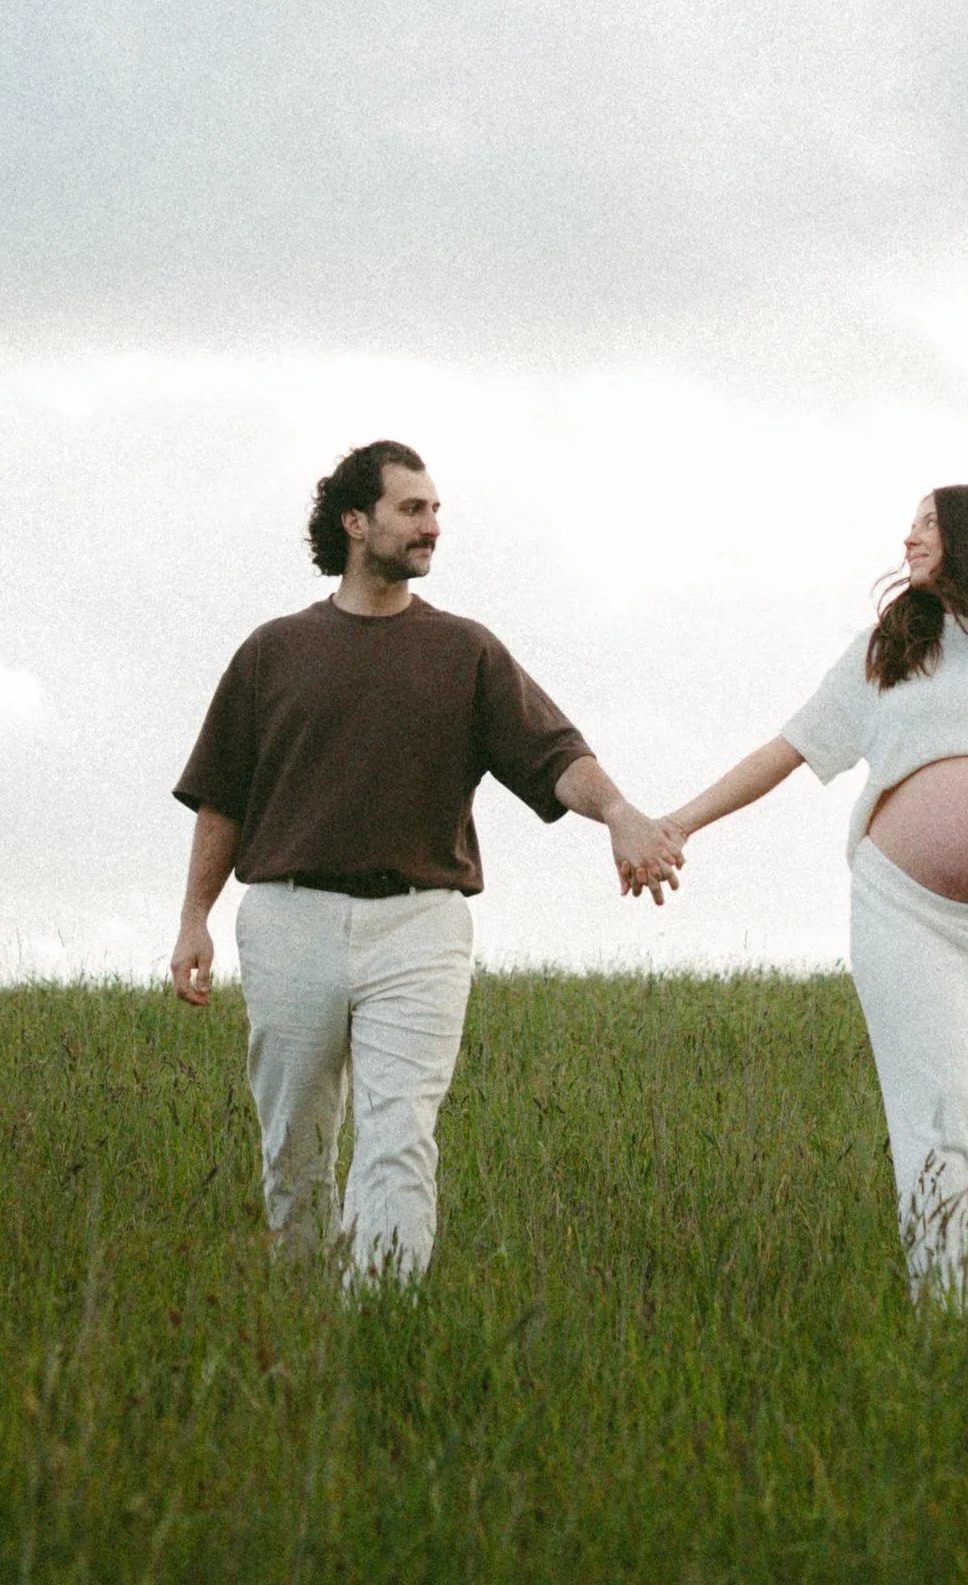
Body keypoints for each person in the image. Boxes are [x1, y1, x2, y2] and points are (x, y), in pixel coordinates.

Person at [168, 439, 682, 1281]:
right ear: (354, 521)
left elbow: (556, 757)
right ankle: (302, 1311)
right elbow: (222, 797)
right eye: (413, 509)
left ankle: (381, 1324)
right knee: (295, 1144)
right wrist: (195, 917)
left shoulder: (465, 652)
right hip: (290, 916)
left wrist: (620, 814)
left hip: (420, 923)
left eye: (436, 510)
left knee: (399, 1132)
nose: (432, 527)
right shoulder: (273, 651)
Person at [664, 485, 968, 1303]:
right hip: (908, 916)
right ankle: (945, 1315)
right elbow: (786, 750)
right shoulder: (890, 648)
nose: (907, 538)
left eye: (926, 524)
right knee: (942, 1115)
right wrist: (680, 823)